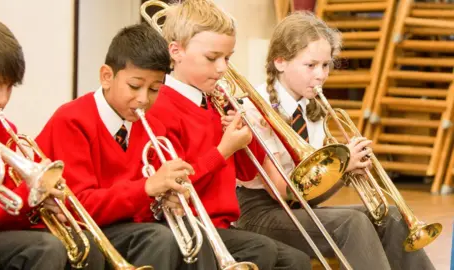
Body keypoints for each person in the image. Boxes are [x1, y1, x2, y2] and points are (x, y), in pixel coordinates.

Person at [234, 11, 436, 270]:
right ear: (280, 62)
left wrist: (350, 169)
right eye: (311, 65)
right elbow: (281, 191)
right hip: (259, 213)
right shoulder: (255, 107)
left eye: (326, 65)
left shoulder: (312, 108)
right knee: (352, 223)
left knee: (391, 216)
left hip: (297, 208)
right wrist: (341, 168)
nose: (320, 75)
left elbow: (309, 197)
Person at [148, 1, 312, 269]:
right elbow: (175, 189)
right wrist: (223, 149)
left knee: (297, 261)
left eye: (228, 58)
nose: (223, 68)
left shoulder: (217, 100)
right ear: (176, 51)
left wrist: (249, 137)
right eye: (212, 58)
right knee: (261, 250)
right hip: (185, 228)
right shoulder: (161, 106)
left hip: (223, 225)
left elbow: (247, 173)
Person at [35, 23, 208, 269]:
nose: (143, 99)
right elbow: (77, 206)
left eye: (155, 89)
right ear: (107, 77)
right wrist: (146, 188)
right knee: (158, 239)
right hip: (78, 228)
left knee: (192, 236)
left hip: (123, 228)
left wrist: (166, 202)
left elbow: (143, 208)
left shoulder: (154, 128)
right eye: (135, 86)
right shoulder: (72, 120)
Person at [0, 17, 70, 270]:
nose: (2, 99)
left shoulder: (2, 130)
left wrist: (36, 205)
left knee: (47, 247)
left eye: (9, 87)